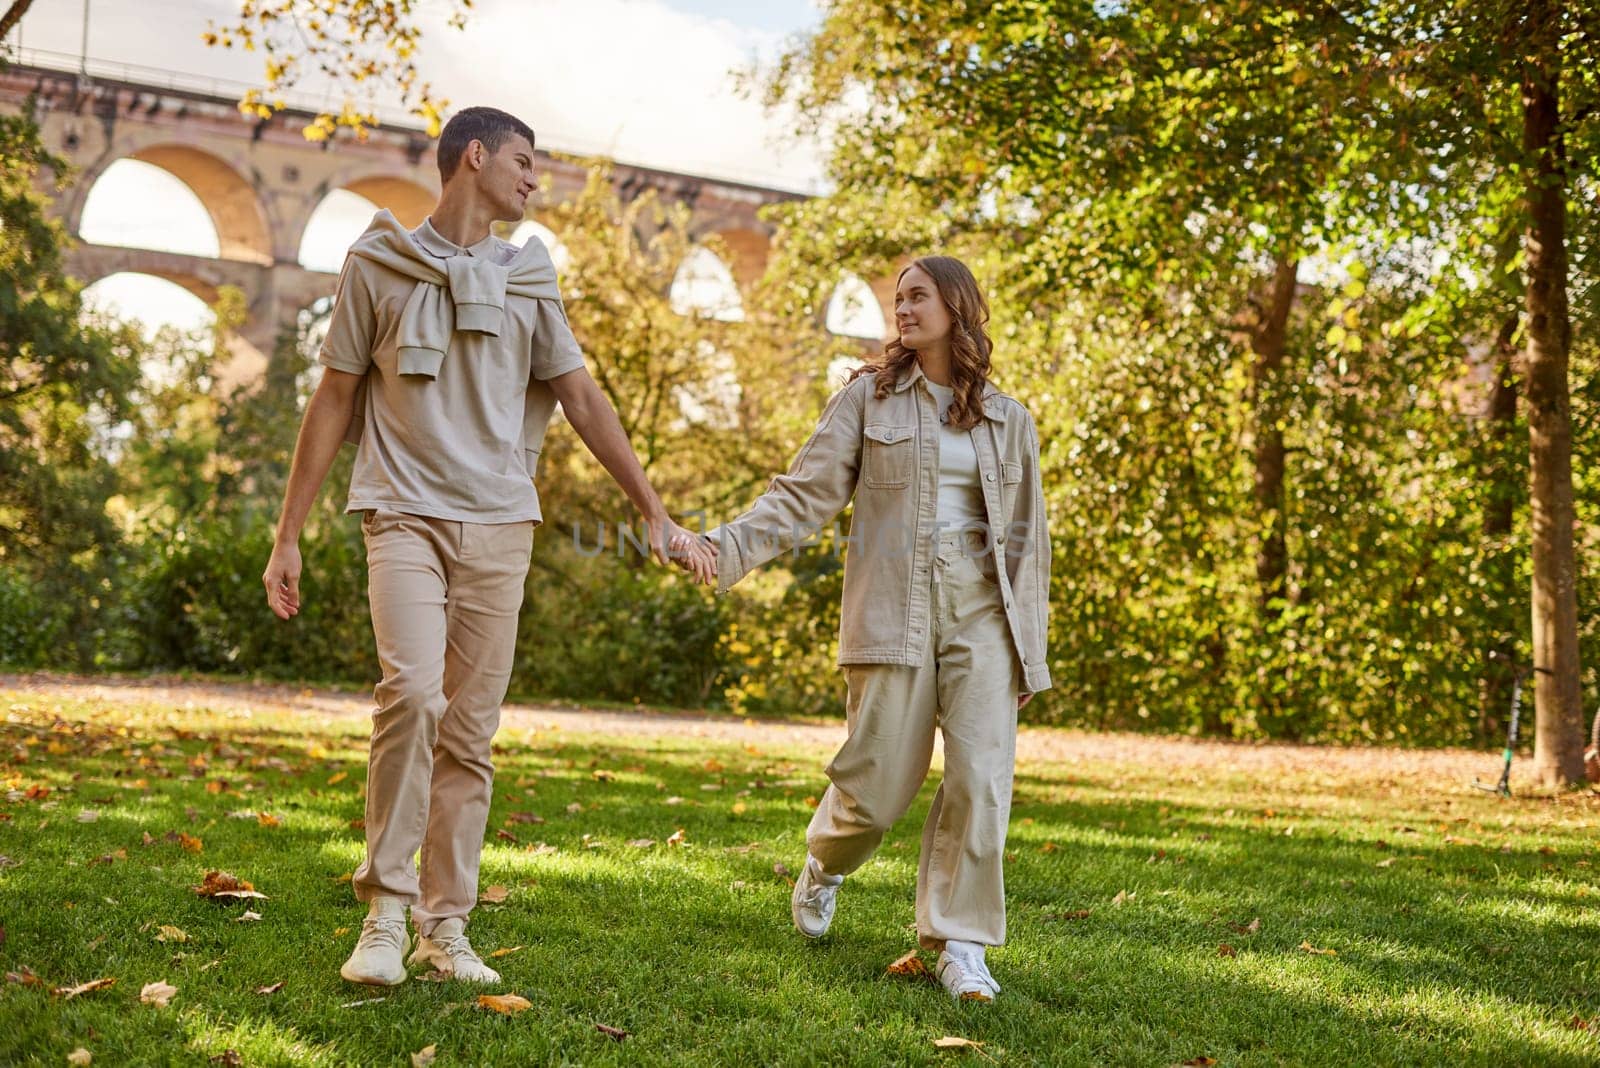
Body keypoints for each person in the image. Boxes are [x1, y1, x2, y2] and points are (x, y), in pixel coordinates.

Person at [261, 106, 716, 987]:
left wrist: (654, 511)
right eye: (523, 161)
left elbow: (583, 399)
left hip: (502, 524)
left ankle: (446, 925)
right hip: (402, 514)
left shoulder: (529, 279)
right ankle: (386, 914)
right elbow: (332, 398)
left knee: (470, 732)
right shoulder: (377, 265)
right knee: (413, 695)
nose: (533, 179)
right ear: (475, 157)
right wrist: (289, 535)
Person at [705, 256, 1050, 1002]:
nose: (902, 308)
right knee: (876, 787)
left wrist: (1029, 656)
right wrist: (725, 549)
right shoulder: (869, 400)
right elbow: (802, 497)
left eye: (918, 296)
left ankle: (959, 943)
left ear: (957, 306)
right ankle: (825, 862)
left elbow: (1027, 542)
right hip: (895, 603)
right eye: (898, 299)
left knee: (981, 780)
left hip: (984, 611)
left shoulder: (1008, 417)